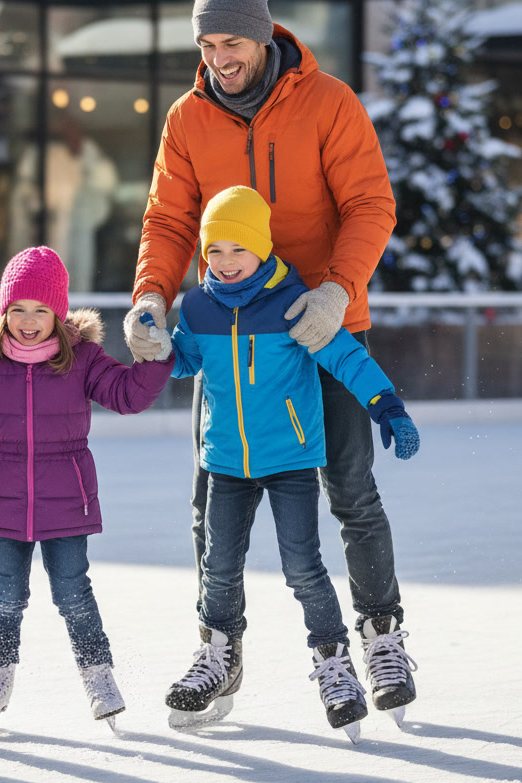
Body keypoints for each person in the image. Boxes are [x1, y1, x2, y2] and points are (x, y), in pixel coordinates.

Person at [123, 0, 418, 718]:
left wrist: (336, 291)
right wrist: (152, 298)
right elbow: (167, 220)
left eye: (231, 42)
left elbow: (369, 203)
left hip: (323, 322)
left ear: (263, 36)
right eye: (207, 43)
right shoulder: (188, 119)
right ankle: (218, 647)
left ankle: (381, 634)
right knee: (211, 499)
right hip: (229, 335)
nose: (219, 57)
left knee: (350, 489)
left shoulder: (329, 103)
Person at [161, 186, 419, 738]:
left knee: (303, 568)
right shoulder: (199, 306)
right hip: (226, 461)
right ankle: (218, 653)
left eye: (238, 250)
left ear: (261, 248)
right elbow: (185, 361)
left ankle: (334, 662)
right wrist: (156, 345)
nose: (225, 263)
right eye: (214, 251)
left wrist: (386, 404)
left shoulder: (293, 303)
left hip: (290, 461)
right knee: (218, 566)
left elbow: (345, 356)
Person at [0, 246, 173, 732]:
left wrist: (152, 359)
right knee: (5, 592)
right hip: (4, 500)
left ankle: (98, 674)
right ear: (4, 311)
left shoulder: (82, 359)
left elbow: (129, 395)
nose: (28, 321)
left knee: (73, 591)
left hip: (67, 498)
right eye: (18, 309)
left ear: (59, 313)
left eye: (41, 310)